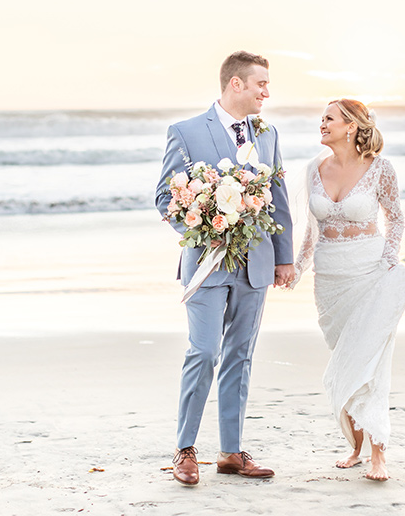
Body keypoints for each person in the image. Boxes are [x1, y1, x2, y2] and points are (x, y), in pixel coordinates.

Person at [155, 51, 295, 486]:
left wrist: (284, 256)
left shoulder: (268, 134)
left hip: (256, 264)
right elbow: (165, 197)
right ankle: (185, 450)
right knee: (205, 351)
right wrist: (200, 220)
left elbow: (279, 196)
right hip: (207, 263)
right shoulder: (187, 132)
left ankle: (232, 453)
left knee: (241, 354)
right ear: (236, 84)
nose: (266, 93)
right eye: (260, 85)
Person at [288, 98, 405, 481]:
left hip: (370, 273)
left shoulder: (381, 169)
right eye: (322, 119)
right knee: (346, 358)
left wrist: (389, 260)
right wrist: (294, 270)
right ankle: (355, 447)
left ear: (351, 126)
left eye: (329, 118)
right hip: (329, 280)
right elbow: (312, 233)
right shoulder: (314, 169)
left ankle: (378, 454)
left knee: (372, 362)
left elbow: (395, 219)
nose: (321, 124)